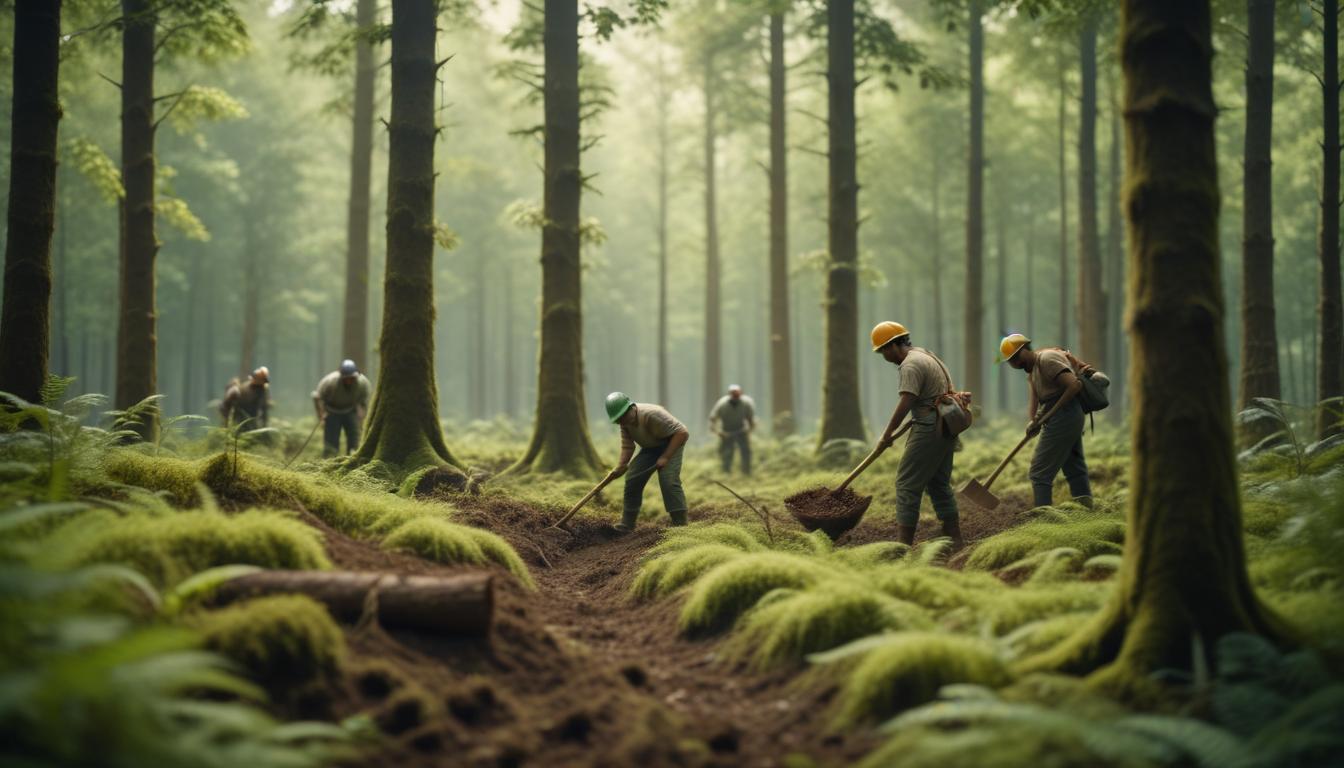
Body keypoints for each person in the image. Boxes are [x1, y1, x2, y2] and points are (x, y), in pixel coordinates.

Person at [871, 322, 963, 549]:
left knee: (906, 483)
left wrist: (887, 434)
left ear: (893, 345)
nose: (883, 355)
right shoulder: (925, 355)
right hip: (947, 421)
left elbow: (906, 402)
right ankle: (955, 539)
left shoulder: (910, 365)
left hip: (930, 425)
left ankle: (903, 546)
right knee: (938, 482)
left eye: (883, 350)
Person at [999, 333, 1094, 509]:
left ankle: (1044, 519)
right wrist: (1035, 421)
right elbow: (1043, 400)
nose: (1014, 364)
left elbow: (1074, 385)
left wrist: (1050, 415)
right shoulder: (1035, 369)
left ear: (1025, 350)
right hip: (1065, 417)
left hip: (1065, 416)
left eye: (1015, 358)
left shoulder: (1047, 359)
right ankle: (1087, 512)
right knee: (1074, 468)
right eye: (1010, 362)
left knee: (1039, 471)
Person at [605, 392, 691, 532]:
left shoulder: (651, 414)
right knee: (632, 477)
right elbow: (628, 446)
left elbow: (682, 433)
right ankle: (627, 524)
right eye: (618, 420)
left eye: (623, 417)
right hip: (650, 448)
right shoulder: (624, 422)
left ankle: (680, 524)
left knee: (668, 480)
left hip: (671, 444)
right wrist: (621, 466)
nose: (622, 422)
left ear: (631, 408)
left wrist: (666, 457)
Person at [313, 359, 372, 457]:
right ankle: (329, 461)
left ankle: (352, 459)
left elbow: (364, 401)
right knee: (331, 442)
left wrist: (363, 417)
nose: (349, 380)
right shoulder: (330, 381)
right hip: (332, 412)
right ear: (341, 376)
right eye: (347, 378)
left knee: (354, 438)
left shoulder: (363, 383)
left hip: (350, 411)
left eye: (352, 378)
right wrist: (321, 415)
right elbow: (317, 397)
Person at [708, 384, 756, 475]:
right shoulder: (722, 403)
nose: (735, 396)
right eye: (734, 394)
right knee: (726, 452)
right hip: (727, 431)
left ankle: (746, 472)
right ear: (730, 394)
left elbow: (750, 419)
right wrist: (718, 432)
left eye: (737, 394)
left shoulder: (746, 403)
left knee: (746, 451)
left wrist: (749, 430)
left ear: (741, 393)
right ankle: (726, 472)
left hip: (741, 430)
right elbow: (713, 418)